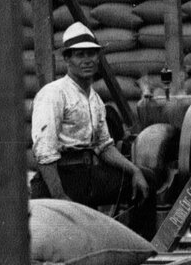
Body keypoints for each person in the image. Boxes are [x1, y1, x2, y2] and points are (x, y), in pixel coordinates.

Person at [30, 23, 150, 212]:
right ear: (67, 59)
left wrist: (134, 170)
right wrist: (60, 196)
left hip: (88, 176)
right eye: (80, 55)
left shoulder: (95, 99)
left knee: (146, 179)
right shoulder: (54, 94)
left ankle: (137, 240)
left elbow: (104, 147)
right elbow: (44, 153)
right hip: (60, 178)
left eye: (91, 54)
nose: (87, 60)